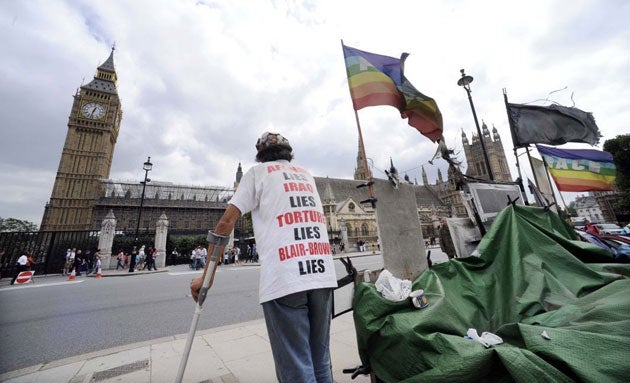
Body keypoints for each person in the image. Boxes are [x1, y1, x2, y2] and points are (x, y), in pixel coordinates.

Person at [190, 131, 338, 382]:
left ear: (260, 156)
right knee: (321, 363)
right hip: (322, 276)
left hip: (286, 280)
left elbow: (226, 223)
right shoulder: (306, 175)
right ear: (288, 154)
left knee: (296, 367)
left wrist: (206, 276)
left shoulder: (257, 174)